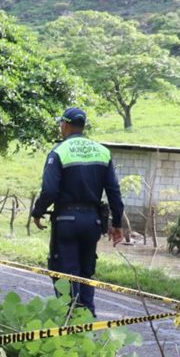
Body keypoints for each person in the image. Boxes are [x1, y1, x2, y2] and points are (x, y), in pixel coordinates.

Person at [31, 107, 125, 317]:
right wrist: (117, 224)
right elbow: (114, 192)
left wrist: (37, 212)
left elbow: (49, 190)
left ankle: (67, 321)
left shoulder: (59, 151)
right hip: (93, 222)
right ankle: (87, 321)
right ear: (83, 126)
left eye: (60, 124)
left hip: (66, 221)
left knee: (64, 274)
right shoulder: (102, 151)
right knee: (86, 273)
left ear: (65, 125)